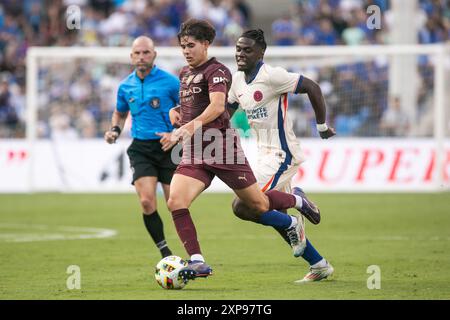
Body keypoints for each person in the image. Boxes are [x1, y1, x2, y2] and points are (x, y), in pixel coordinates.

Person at [167, 19, 320, 279]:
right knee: (175, 200)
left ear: (205, 44)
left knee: (254, 205)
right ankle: (197, 260)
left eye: (191, 45)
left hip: (222, 149)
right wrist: (178, 113)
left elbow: (217, 107)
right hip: (196, 151)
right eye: (183, 46)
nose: (186, 50)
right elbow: (210, 107)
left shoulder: (218, 72)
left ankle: (297, 206)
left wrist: (189, 126)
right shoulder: (184, 73)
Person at [227, 29, 336, 282]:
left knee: (243, 205)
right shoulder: (237, 80)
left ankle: (297, 200)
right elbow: (225, 110)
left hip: (282, 153)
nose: (240, 54)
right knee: (274, 216)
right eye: (238, 49)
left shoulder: (272, 76)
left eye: (247, 50)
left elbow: (311, 86)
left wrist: (321, 126)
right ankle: (319, 264)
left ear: (261, 52)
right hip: (262, 152)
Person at [104, 36, 179, 258]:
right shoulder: (126, 86)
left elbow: (188, 109)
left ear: (154, 55)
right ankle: (166, 254)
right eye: (137, 53)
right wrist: (115, 130)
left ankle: (193, 253)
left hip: (169, 147)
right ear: (131, 56)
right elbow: (120, 112)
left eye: (146, 52)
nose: (141, 57)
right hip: (141, 148)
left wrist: (175, 133)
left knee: (175, 204)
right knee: (147, 201)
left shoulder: (171, 82)